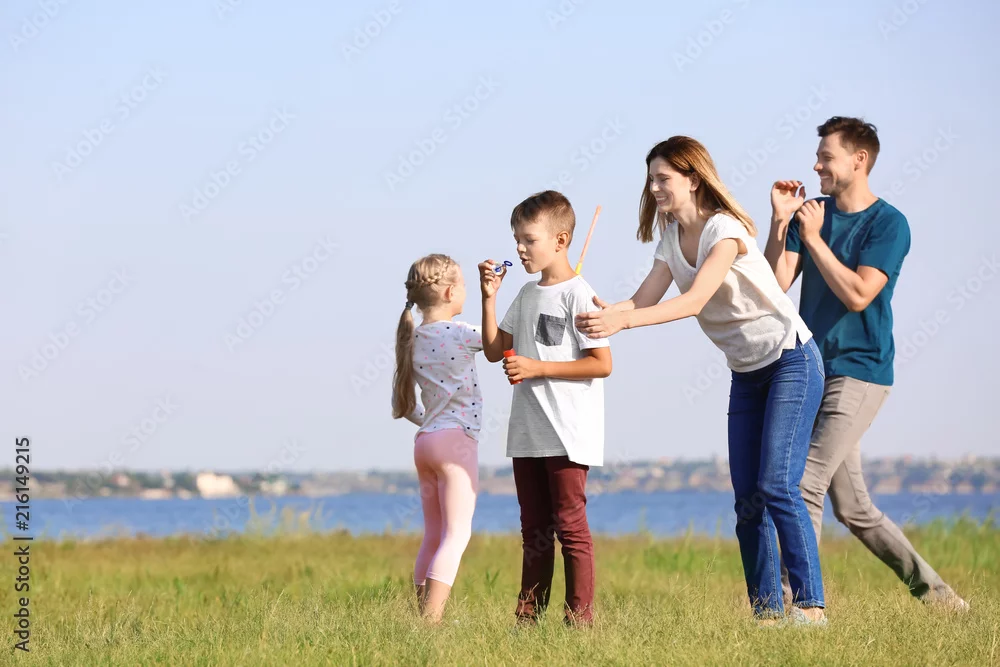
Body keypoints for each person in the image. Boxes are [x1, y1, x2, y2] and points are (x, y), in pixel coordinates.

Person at [575, 137, 827, 625]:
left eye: (663, 178)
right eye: (650, 179)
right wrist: (607, 313)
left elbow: (694, 301)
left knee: (777, 485)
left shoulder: (724, 229)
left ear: (692, 178)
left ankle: (811, 606)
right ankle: (767, 615)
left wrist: (624, 321)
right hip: (746, 373)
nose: (654, 187)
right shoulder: (671, 239)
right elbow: (643, 299)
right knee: (747, 501)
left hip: (791, 359)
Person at [764, 116, 969, 611]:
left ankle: (800, 607)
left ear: (859, 160)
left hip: (860, 371)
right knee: (854, 508)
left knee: (803, 484)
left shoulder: (888, 224)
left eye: (826, 157)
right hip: (812, 368)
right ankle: (942, 600)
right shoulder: (810, 215)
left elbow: (859, 294)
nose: (816, 166)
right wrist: (780, 222)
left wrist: (814, 239)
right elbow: (774, 286)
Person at [478, 190, 613, 626]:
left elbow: (601, 363)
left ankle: (579, 621)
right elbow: (494, 351)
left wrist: (537, 367)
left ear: (561, 240)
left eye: (529, 240)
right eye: (516, 240)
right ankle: (528, 619)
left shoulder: (580, 294)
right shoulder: (525, 293)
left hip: (567, 433)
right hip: (527, 432)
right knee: (533, 530)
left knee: (570, 527)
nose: (520, 248)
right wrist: (488, 297)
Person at [391, 253, 484, 623]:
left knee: (433, 534)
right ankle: (431, 623)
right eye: (463, 284)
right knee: (457, 535)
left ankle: (423, 617)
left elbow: (405, 407)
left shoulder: (412, 338)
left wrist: (432, 421)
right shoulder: (461, 333)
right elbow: (502, 339)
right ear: (449, 292)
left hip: (425, 442)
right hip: (455, 443)